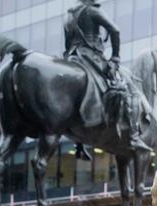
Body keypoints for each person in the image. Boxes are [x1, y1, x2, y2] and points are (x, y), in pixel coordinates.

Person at [64, 0, 150, 155]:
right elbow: (115, 30)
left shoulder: (69, 15)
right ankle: (133, 135)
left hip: (73, 58)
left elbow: (67, 43)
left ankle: (79, 142)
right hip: (92, 56)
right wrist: (115, 58)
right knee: (130, 91)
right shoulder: (92, 11)